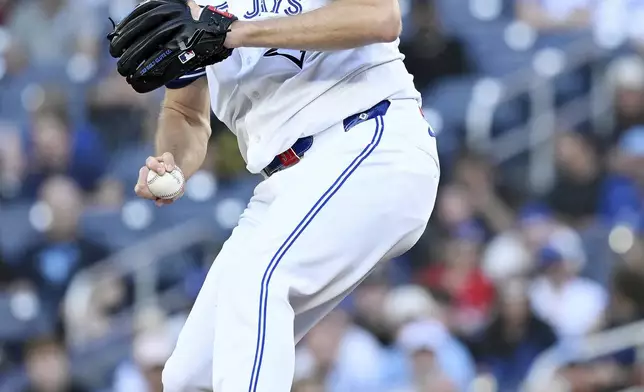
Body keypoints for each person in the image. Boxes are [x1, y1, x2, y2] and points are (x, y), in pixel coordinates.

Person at [116, 0, 440, 390]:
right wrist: (174, 162)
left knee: (259, 279)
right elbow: (185, 112)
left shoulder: (222, 23)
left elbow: (379, 17)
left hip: (367, 136)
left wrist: (234, 33)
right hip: (284, 179)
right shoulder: (184, 4)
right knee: (191, 375)